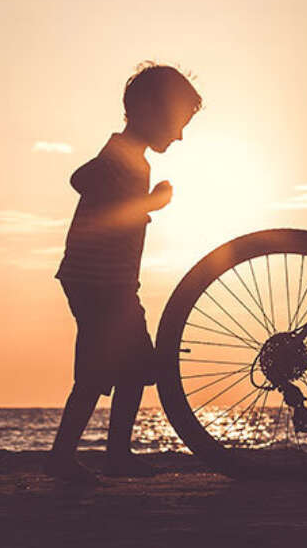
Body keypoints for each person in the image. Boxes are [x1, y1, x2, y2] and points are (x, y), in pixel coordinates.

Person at [46, 64, 201, 484]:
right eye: (177, 123)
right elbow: (82, 178)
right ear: (149, 111)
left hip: (112, 283)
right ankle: (65, 457)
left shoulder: (135, 159)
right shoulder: (120, 155)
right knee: (96, 371)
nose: (179, 135)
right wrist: (149, 204)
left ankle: (116, 454)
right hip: (97, 282)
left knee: (135, 366)